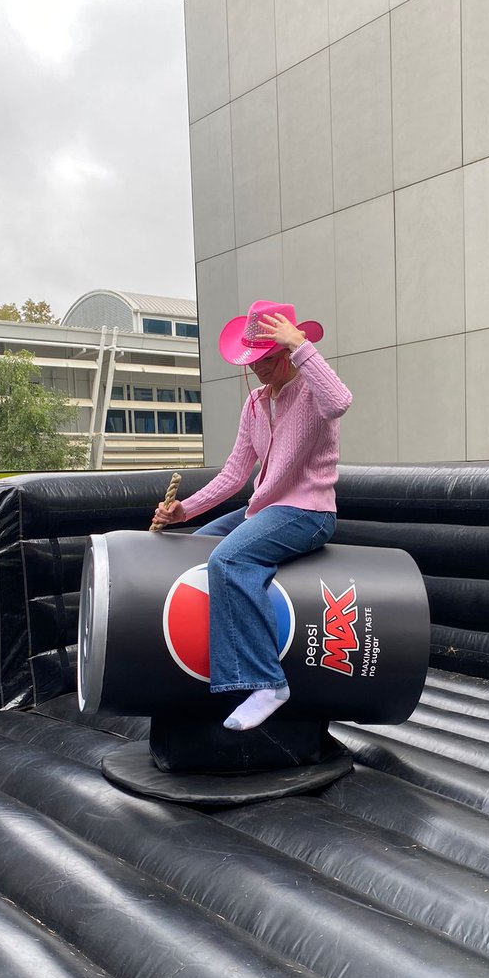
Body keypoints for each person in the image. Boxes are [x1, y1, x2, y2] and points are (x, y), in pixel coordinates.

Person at [152, 299, 352, 731]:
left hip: (307, 512)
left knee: (230, 559)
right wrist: (184, 511)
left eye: (267, 358)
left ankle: (267, 682)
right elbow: (233, 474)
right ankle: (197, 662)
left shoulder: (316, 394)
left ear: (286, 353)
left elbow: (341, 401)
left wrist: (302, 346)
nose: (258, 367)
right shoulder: (255, 404)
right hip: (262, 510)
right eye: (253, 359)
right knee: (193, 548)